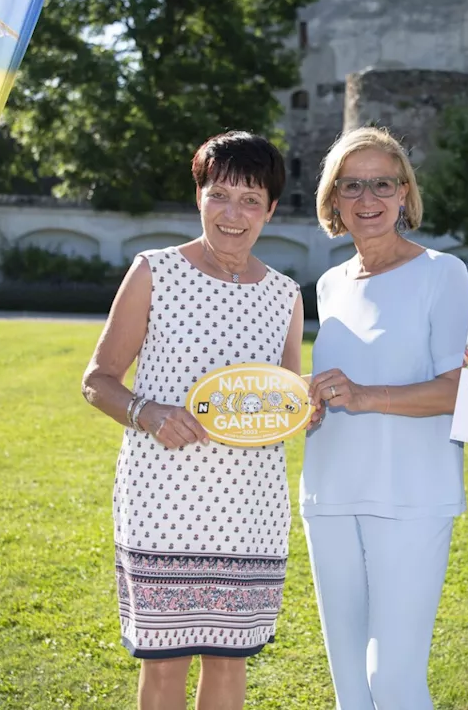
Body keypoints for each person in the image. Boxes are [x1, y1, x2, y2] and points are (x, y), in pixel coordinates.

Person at [81, 131, 303, 710]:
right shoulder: (154, 271)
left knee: (230, 668)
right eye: (220, 194)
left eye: (251, 199)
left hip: (249, 506)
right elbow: (97, 379)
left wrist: (308, 404)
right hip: (164, 501)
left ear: (271, 209)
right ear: (198, 196)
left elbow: (286, 402)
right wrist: (146, 412)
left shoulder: (286, 295)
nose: (234, 214)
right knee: (164, 666)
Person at [302, 126, 468, 709]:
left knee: (393, 681)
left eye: (382, 183)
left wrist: (367, 394)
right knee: (350, 686)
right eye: (352, 185)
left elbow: (460, 390)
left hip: (410, 497)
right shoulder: (328, 284)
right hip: (328, 494)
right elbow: (339, 383)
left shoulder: (442, 274)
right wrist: (308, 402)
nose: (367, 198)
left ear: (404, 193)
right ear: (333, 200)